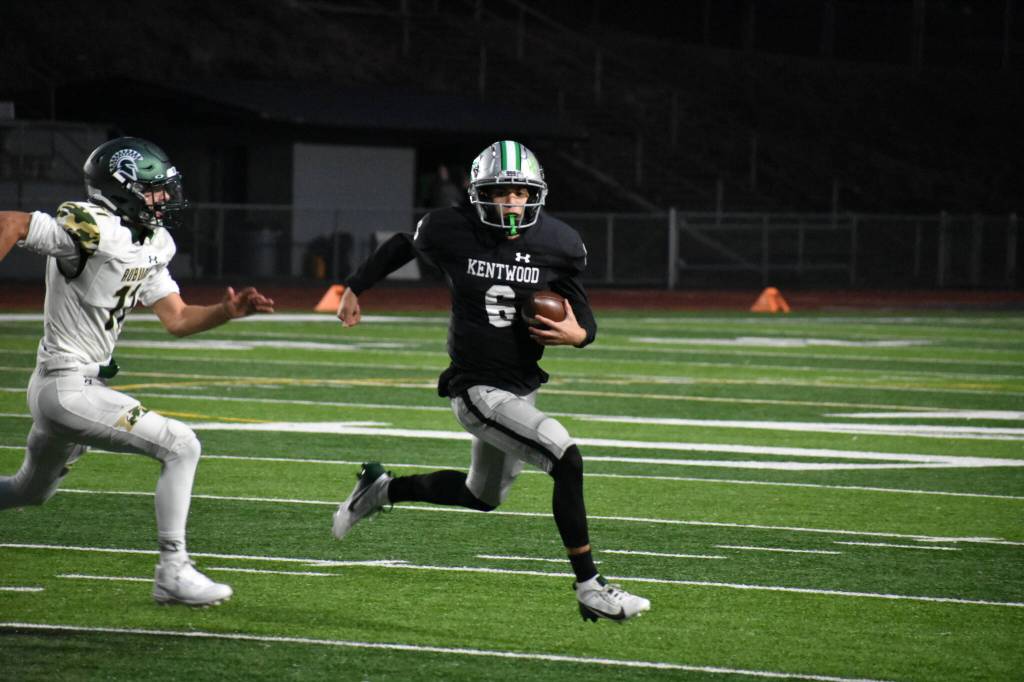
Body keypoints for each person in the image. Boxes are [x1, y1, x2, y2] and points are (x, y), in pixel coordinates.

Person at [332, 140, 650, 622]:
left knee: (482, 497)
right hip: (476, 387)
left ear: (535, 194)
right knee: (566, 456)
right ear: (480, 193)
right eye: (502, 192)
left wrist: (579, 333)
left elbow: (580, 307)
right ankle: (590, 585)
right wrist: (356, 286)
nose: (512, 202)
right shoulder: (450, 228)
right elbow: (402, 245)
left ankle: (380, 490)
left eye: (521, 192)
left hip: (521, 384)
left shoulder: (557, 242)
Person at [0, 136, 275, 607]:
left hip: (77, 386)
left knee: (28, 491)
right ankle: (173, 569)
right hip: (65, 386)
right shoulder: (92, 226)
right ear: (121, 189)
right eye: (153, 190)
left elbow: (178, 318)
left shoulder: (153, 241)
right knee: (181, 445)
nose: (164, 199)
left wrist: (226, 312)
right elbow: (9, 223)